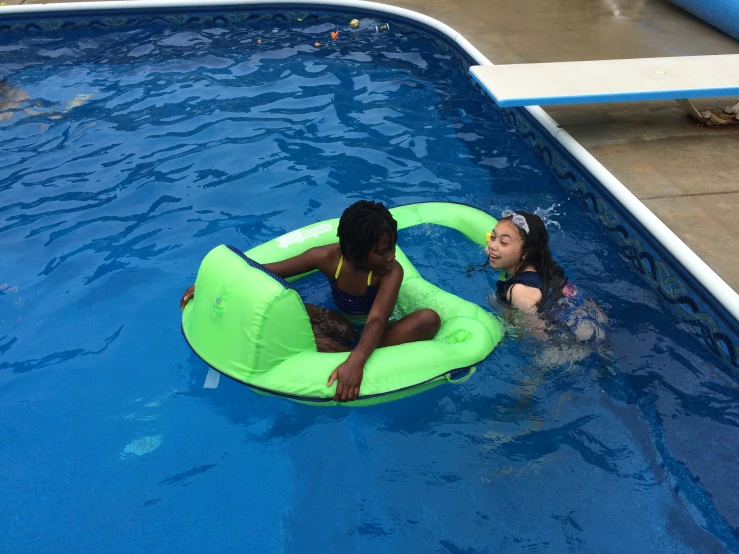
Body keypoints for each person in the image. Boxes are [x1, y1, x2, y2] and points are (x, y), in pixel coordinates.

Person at [180, 200, 441, 402]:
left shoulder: (390, 272)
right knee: (292, 311)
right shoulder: (327, 258)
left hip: (380, 331)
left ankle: (344, 354)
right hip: (346, 323)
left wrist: (356, 361)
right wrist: (213, 281)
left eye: (393, 248)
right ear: (355, 250)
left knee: (428, 319)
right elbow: (267, 269)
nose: (391, 256)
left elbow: (377, 318)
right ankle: (336, 351)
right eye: (383, 252)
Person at [485, 209, 607, 342]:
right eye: (492, 237)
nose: (492, 246)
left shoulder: (519, 292)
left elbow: (540, 333)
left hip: (573, 339)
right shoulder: (543, 263)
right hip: (588, 311)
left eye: (503, 242)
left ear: (526, 251)